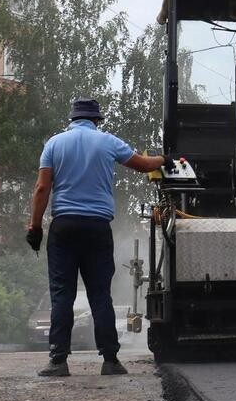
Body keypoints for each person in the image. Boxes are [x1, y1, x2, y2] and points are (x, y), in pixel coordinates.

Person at [27, 98, 170, 377]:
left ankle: (58, 361)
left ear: (71, 119)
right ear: (96, 120)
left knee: (61, 295)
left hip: (64, 227)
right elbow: (142, 164)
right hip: (97, 227)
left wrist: (35, 227)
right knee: (100, 294)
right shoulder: (108, 142)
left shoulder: (53, 144)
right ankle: (110, 360)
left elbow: (42, 188)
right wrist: (164, 159)